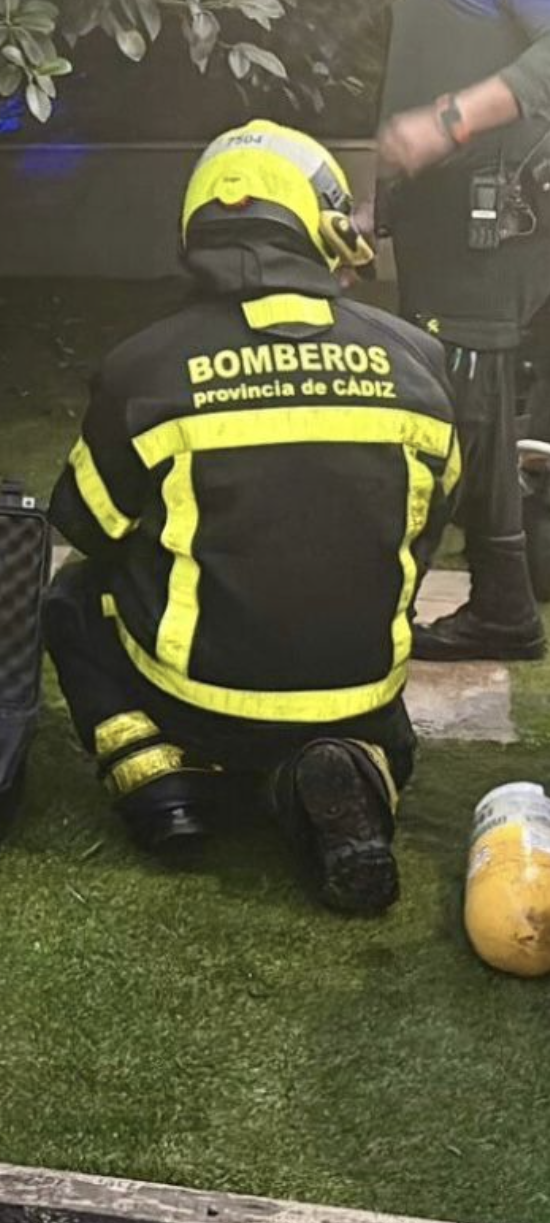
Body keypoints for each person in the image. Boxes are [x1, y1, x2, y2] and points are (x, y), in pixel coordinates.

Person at [45, 122, 462, 915]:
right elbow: (426, 530)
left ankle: (158, 779)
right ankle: (354, 763)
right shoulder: (419, 361)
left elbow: (90, 527)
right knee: (372, 661)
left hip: (196, 702)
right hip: (358, 690)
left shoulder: (146, 365)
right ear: (323, 224)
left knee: (72, 598)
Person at [369, 0, 550, 660]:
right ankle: (485, 598)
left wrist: (450, 120)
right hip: (443, 228)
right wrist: (375, 210)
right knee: (460, 407)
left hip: (497, 226)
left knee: (472, 411)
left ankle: (503, 609)